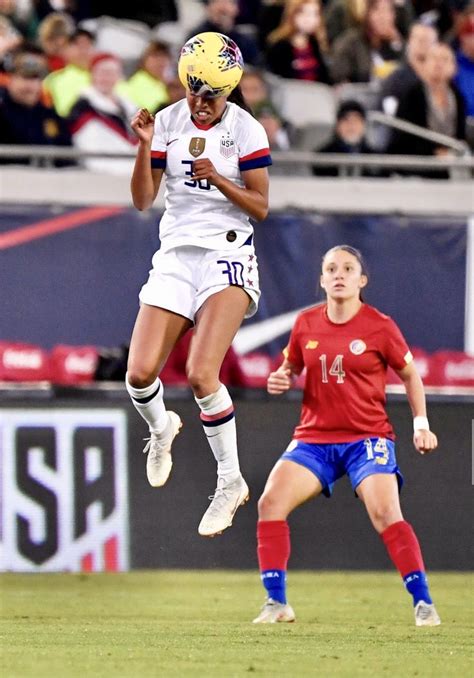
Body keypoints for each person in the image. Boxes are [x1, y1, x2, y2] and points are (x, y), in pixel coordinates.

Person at [126, 32, 271, 538]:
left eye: (210, 94)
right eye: (193, 91)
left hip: (228, 252)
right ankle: (161, 427)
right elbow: (144, 200)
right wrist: (144, 149)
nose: (200, 102)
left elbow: (260, 206)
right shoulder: (165, 121)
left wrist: (221, 179)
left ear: (228, 91)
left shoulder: (247, 130)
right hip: (176, 254)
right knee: (140, 374)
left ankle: (230, 480)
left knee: (201, 373)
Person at [253, 245, 441, 627]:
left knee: (385, 512)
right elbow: (290, 367)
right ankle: (276, 603)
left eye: (348, 268)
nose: (339, 274)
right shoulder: (306, 323)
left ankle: (423, 603)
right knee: (270, 503)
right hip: (315, 439)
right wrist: (281, 377)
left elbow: (410, 375)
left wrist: (421, 424)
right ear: (322, 280)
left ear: (361, 280)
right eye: (331, 269)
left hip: (366, 438)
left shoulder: (380, 326)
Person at [389, 43, 466, 158]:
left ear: (454, 68)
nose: (439, 64)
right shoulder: (411, 95)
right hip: (417, 162)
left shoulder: (458, 97)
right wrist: (434, 153)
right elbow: (404, 137)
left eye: (444, 59)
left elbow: (460, 136)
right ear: (424, 65)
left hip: (452, 160)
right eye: (434, 58)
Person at [0, 48, 73, 165]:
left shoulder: (49, 115)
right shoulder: (3, 111)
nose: (31, 86)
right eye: (25, 78)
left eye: (36, 79)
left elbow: (67, 153)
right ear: (11, 79)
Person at [68, 52, 138, 174]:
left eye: (111, 73)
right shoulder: (83, 108)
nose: (106, 78)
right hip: (104, 175)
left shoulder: (130, 107)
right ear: (92, 75)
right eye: (102, 72)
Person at [330, 0, 404, 83]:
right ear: (367, 14)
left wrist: (396, 42)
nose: (383, 17)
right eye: (377, 10)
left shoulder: (393, 44)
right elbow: (339, 78)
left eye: (389, 11)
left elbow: (405, 71)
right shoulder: (350, 43)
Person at [380, 22, 438, 115]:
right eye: (419, 39)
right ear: (409, 41)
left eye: (427, 40)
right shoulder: (396, 80)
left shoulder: (442, 79)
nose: (423, 44)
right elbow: (390, 116)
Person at [265, 0, 331, 83]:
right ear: (292, 14)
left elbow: (324, 77)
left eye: (315, 14)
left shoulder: (315, 43)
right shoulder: (279, 46)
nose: (311, 19)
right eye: (304, 13)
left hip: (316, 93)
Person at [312, 99, 376, 176]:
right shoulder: (321, 158)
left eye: (356, 121)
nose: (351, 126)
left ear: (364, 126)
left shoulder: (377, 158)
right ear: (337, 125)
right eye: (346, 120)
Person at [43, 28, 96, 117]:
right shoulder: (53, 80)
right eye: (78, 45)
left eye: (88, 45)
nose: (84, 51)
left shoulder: (110, 78)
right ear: (65, 50)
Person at [188, 0, 260, 65]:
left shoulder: (245, 42)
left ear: (237, 9)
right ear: (207, 7)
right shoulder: (196, 39)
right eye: (217, 1)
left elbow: (258, 69)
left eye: (230, 2)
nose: (224, 7)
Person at [117, 40, 172, 114]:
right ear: (144, 60)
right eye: (155, 56)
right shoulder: (136, 83)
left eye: (164, 56)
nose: (160, 61)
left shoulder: (169, 84)